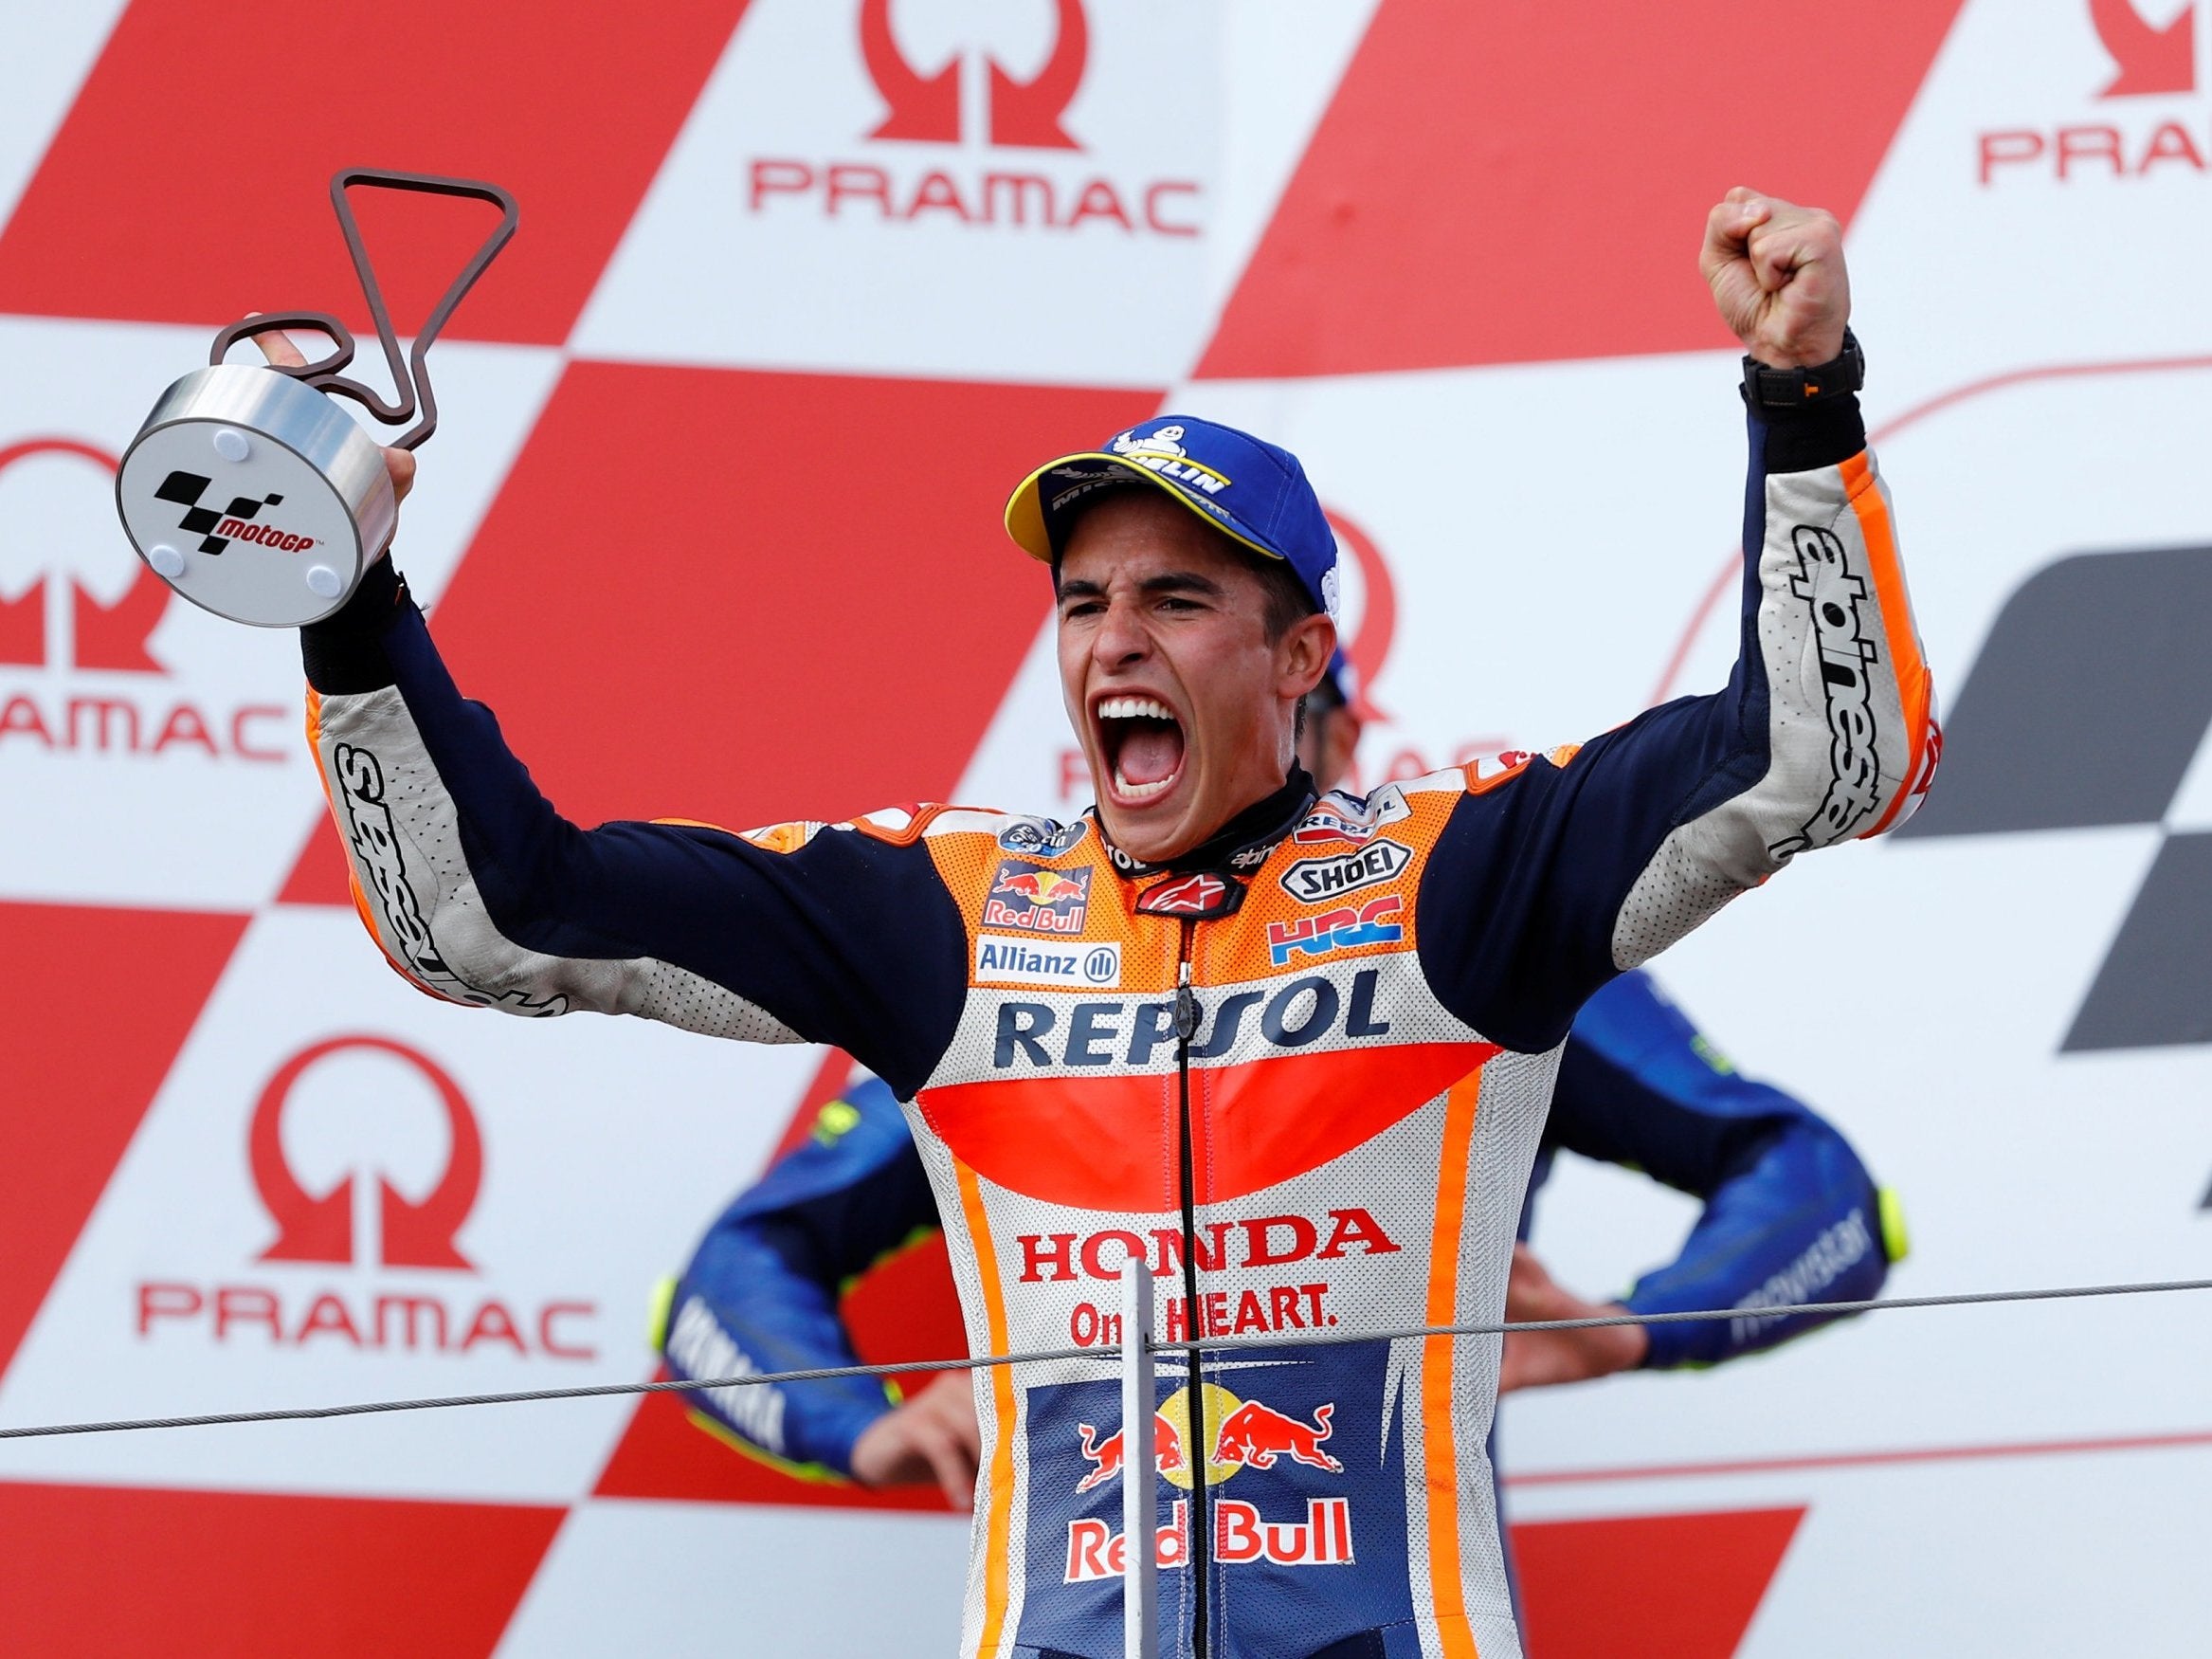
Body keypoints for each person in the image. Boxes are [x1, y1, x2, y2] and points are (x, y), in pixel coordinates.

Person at [286, 190, 1936, 1659]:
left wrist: (1801, 402)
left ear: (1301, 664)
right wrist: (348, 600)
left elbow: (1819, 755)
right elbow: (485, 919)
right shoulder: (937, 910)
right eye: (1082, 602)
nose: (1112, 639)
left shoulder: (1466, 879)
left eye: (1175, 598)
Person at [655, 668, 1907, 1514]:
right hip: (1079, 1609)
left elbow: (1828, 1202)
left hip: (1395, 1600)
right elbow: (724, 1279)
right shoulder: (1025, 972)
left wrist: (1639, 1324)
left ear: (1343, 736)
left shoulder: (1473, 939)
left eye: (1271, 717)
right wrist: (858, 1425)